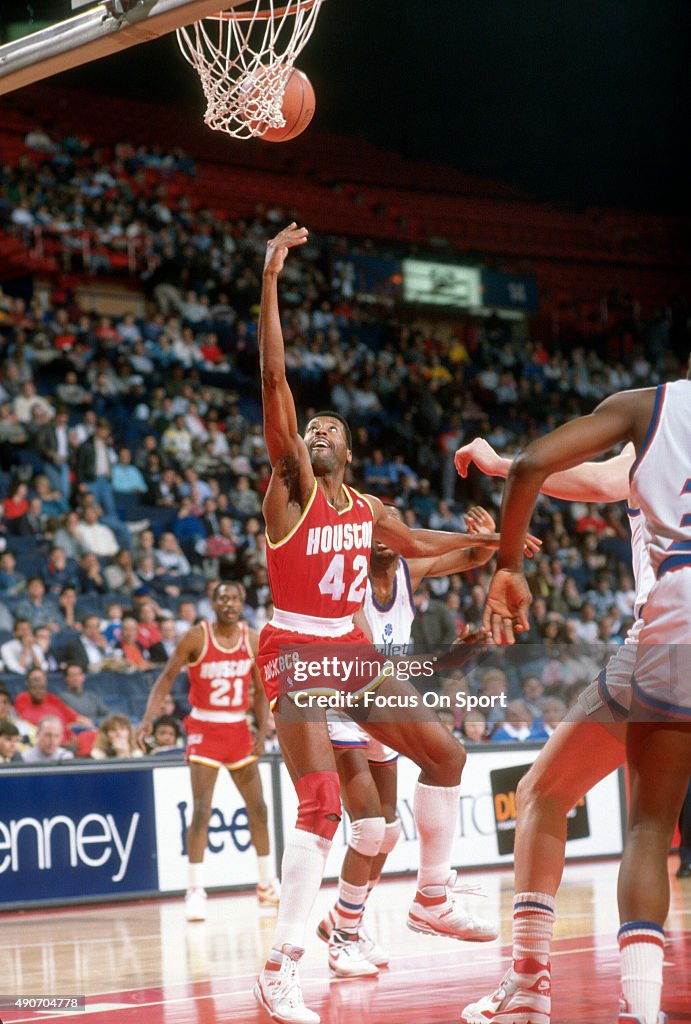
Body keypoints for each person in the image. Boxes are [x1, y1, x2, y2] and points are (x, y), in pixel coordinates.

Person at [252, 224, 506, 1024]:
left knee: (446, 750)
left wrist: (491, 541)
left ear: (350, 454)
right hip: (295, 644)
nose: (316, 431)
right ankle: (281, 965)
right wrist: (269, 279)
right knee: (323, 804)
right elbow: (271, 380)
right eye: (310, 429)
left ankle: (431, 897)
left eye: (331, 430)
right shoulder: (287, 491)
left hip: (349, 648)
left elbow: (422, 545)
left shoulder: (367, 511)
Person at [463, 376, 691, 1024]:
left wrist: (508, 554)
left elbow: (546, 463)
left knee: (608, 813)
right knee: (560, 794)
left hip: (674, 630)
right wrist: (502, 464)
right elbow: (596, 480)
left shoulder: (654, 408)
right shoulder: (643, 442)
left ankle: (556, 991)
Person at [317, 504, 497, 976]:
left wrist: (487, 537)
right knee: (369, 829)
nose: (385, 532)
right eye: (377, 524)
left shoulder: (406, 569)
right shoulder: (348, 583)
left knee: (391, 831)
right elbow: (365, 671)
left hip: (384, 700)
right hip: (346, 702)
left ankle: (343, 916)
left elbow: (474, 559)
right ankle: (343, 938)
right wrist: (445, 663)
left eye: (395, 524)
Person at [138, 580, 278, 921]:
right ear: (212, 605)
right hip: (204, 728)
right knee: (202, 810)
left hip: (237, 728)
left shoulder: (253, 638)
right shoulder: (196, 637)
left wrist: (263, 727)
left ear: (242, 603)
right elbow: (166, 678)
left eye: (235, 598)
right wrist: (146, 719)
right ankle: (195, 889)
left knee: (258, 808)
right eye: (222, 598)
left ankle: (265, 884)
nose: (229, 603)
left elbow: (260, 689)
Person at [14, 667, 92, 741]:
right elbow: (27, 722)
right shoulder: (22, 698)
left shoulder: (52, 698)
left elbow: (67, 712)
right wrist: (65, 725)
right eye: (35, 679)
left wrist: (79, 719)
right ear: (28, 683)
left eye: (41, 679)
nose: (38, 682)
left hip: (65, 734)